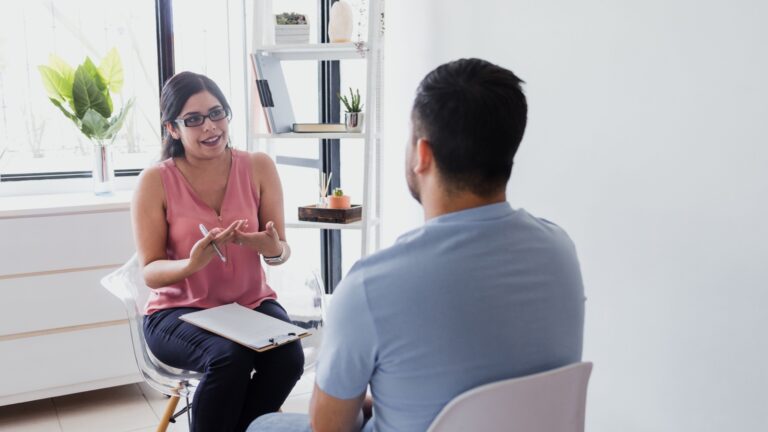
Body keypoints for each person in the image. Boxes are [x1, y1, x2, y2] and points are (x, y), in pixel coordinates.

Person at [248, 58, 585, 432]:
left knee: (263, 425)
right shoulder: (560, 252)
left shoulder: (370, 287)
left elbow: (329, 427)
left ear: (422, 154)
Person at [132, 71, 304, 432]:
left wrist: (270, 247)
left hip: (250, 305)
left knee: (288, 358)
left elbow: (280, 251)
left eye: (216, 113)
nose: (210, 127)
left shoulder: (258, 166)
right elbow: (149, 270)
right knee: (229, 358)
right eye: (193, 119)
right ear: (173, 129)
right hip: (177, 312)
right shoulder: (155, 181)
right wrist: (191, 264)